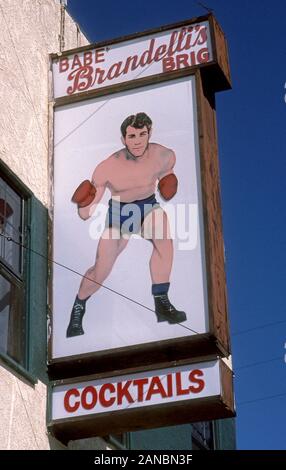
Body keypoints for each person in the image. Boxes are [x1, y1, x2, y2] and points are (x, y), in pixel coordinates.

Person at [66, 112, 187, 337]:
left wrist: (169, 182)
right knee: (101, 268)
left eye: (143, 134)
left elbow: (167, 178)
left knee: (164, 239)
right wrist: (84, 201)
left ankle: (161, 301)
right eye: (132, 136)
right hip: (119, 213)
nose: (138, 141)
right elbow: (86, 213)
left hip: (147, 206)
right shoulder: (108, 167)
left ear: (150, 133)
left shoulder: (163, 155)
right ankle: (79, 306)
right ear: (123, 139)